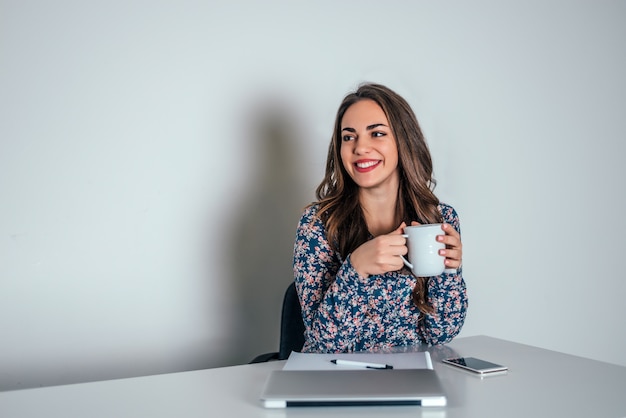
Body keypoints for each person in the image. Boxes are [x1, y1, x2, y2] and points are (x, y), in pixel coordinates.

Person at [293, 83, 467, 353]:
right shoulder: (318, 224)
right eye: (348, 137)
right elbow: (323, 344)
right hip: (336, 380)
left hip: (410, 378)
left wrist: (449, 273)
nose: (360, 147)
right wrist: (356, 269)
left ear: (403, 140)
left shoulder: (438, 219)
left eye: (376, 133)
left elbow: (441, 334)